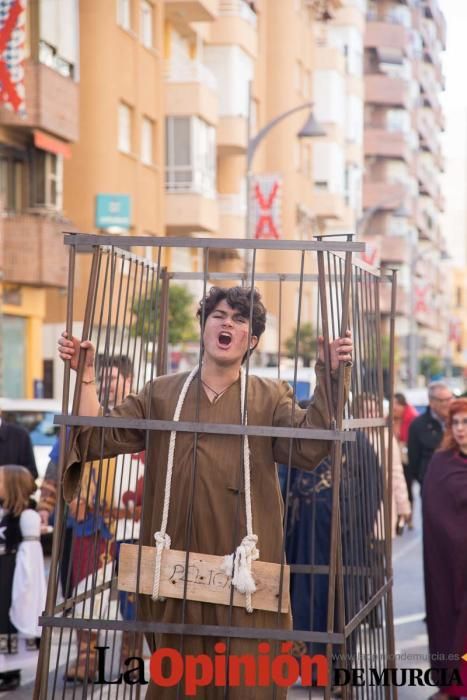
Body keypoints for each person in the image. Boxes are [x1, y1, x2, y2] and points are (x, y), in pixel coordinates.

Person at [58, 286, 353, 700]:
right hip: (175, 569)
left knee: (249, 681)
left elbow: (309, 446)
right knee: (179, 684)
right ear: (203, 326)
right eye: (218, 314)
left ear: (251, 340)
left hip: (247, 572)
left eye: (239, 318)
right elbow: (95, 438)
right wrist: (86, 377)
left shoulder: (271, 396)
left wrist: (330, 373)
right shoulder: (161, 393)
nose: (227, 322)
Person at [423, 398, 467, 699]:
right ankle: (453, 684)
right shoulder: (441, 463)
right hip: (449, 560)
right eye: (456, 423)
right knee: (449, 619)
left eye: (466, 422)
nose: (461, 429)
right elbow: (434, 510)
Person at [0, 465, 46, 692]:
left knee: (8, 620)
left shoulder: (27, 516)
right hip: (3, 572)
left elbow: (30, 557)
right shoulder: (4, 513)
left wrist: (25, 587)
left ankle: (11, 671)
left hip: (12, 574)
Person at [408, 381, 453, 490]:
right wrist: (424, 480)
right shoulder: (417, 425)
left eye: (450, 398)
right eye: (443, 400)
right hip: (431, 487)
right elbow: (414, 461)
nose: (448, 403)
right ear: (431, 402)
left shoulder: (458, 421)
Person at [393, 393, 418, 527]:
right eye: (392, 404)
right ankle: (398, 516)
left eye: (396, 404)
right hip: (393, 458)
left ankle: (409, 516)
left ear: (403, 406)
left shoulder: (412, 419)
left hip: (406, 459)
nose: (394, 407)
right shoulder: (388, 419)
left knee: (407, 487)